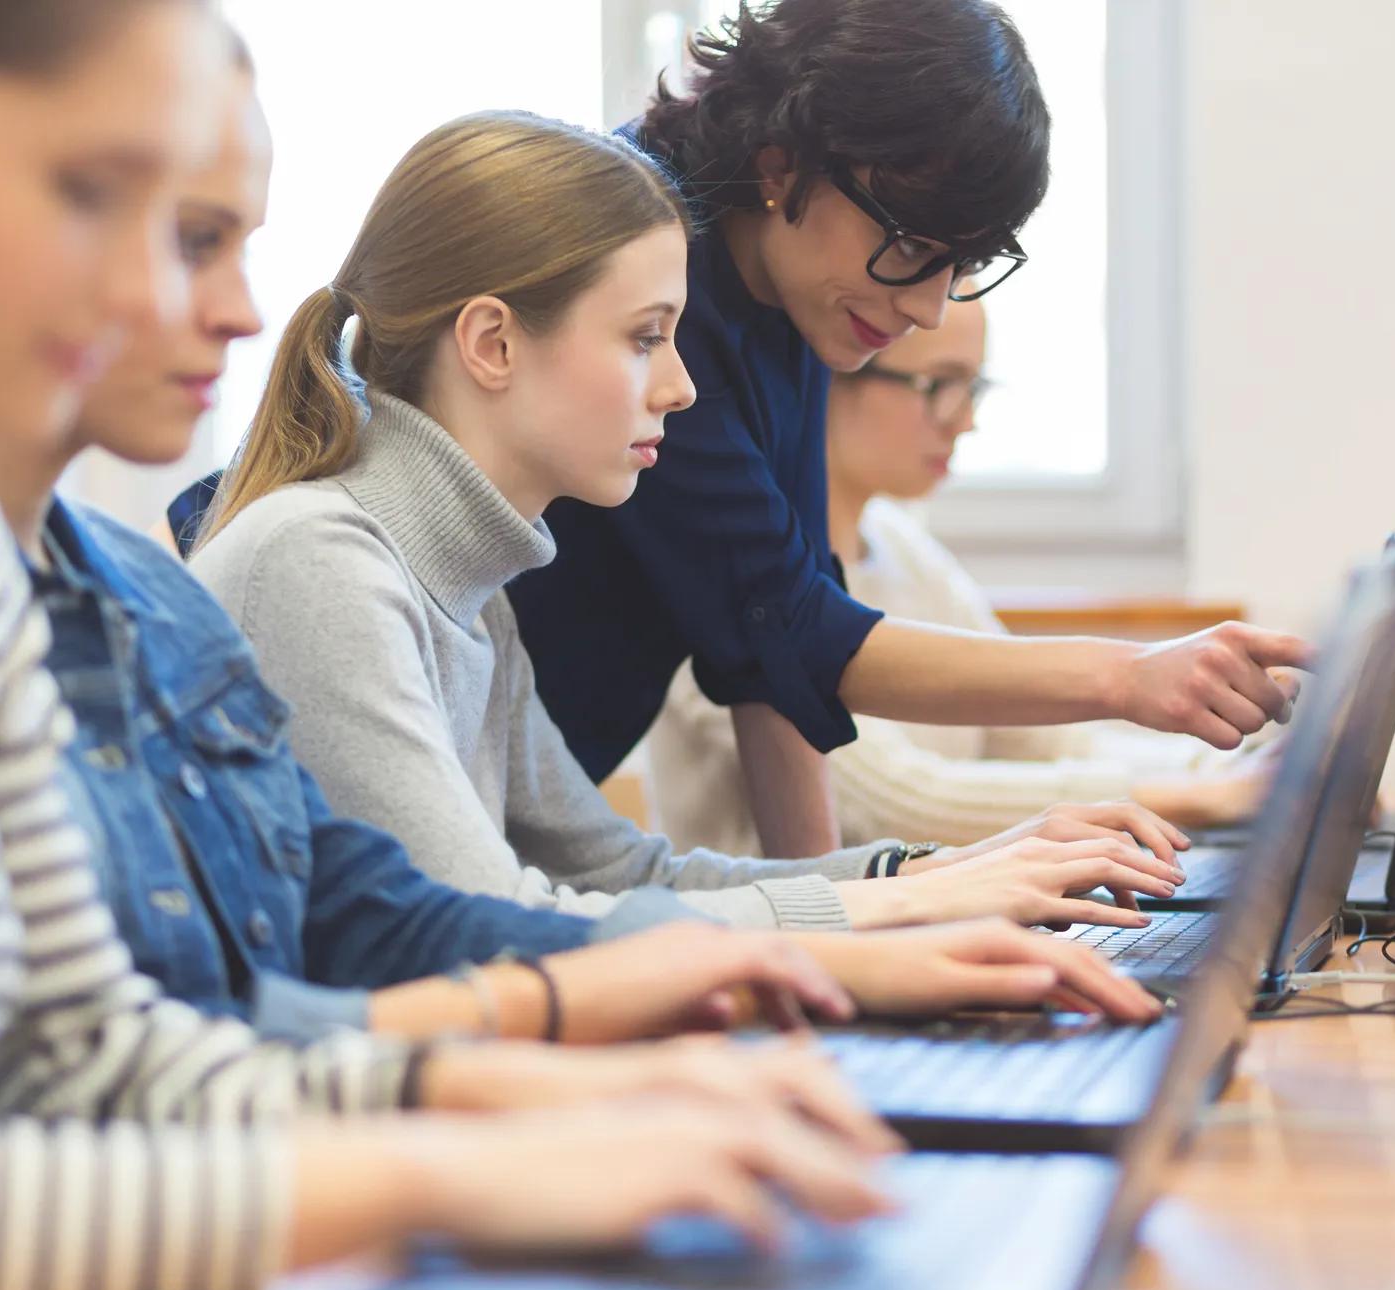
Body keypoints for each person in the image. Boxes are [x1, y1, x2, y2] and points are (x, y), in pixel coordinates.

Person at [0, 2, 887, 1290]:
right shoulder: (287, 555)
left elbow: (104, 1064)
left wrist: (515, 1091)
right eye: (98, 197)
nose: (210, 307)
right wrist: (450, 1157)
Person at [0, 83, 1166, 1041]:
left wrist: (918, 881)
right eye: (644, 338)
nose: (680, 387)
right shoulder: (319, 560)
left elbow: (603, 876)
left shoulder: (466, 580)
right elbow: (478, 933)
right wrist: (877, 921)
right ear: (493, 346)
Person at [171, 0, 1310, 861]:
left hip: (510, 841)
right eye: (917, 245)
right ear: (783, 169)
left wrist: (861, 922)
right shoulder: (339, 564)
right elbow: (803, 636)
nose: (924, 306)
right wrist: (1121, 678)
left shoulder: (790, 302)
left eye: (963, 265)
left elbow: (771, 661)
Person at [649, 296, 1283, 854]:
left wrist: (1244, 765)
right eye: (938, 384)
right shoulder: (726, 567)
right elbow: (899, 805)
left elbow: (1047, 746)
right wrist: (1207, 798)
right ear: (832, 376)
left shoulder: (902, 547)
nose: (966, 419)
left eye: (974, 387)